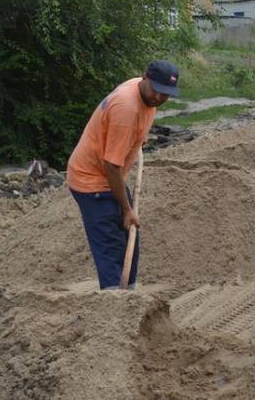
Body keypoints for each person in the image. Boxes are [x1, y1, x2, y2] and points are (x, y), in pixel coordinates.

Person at [66, 60, 180, 290]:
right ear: (144, 77)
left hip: (107, 175)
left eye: (166, 94)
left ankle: (128, 297)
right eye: (157, 90)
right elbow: (111, 165)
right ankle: (114, 305)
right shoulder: (126, 109)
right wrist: (126, 209)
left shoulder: (143, 94)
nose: (159, 98)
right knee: (111, 247)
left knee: (130, 238)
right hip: (92, 180)